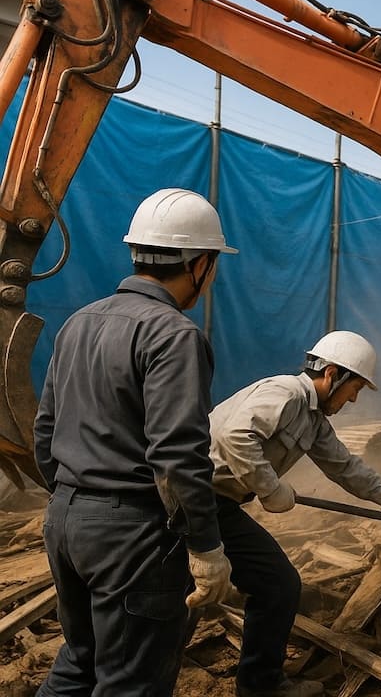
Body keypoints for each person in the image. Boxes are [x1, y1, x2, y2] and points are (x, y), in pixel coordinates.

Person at [34, 188, 237, 695]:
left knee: (80, 660)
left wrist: (72, 502)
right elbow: (176, 456)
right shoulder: (174, 334)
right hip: (132, 537)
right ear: (200, 263)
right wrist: (206, 547)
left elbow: (45, 430)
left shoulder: (79, 322)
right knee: (132, 682)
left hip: (64, 521)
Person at [207, 330, 381, 697]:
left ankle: (260, 687)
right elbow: (235, 436)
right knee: (174, 598)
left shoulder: (312, 420)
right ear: (331, 374)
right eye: (353, 387)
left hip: (219, 506)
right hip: (189, 501)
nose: (354, 399)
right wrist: (270, 487)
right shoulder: (286, 394)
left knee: (277, 585)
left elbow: (345, 467)